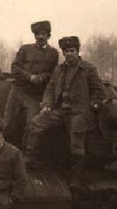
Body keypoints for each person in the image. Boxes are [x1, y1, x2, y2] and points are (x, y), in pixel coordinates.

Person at [24, 36, 106, 175]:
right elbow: (50, 89)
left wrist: (90, 108)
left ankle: (76, 175)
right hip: (60, 111)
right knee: (37, 122)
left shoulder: (88, 69)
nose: (69, 54)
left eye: (72, 50)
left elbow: (99, 92)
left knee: (76, 142)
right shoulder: (59, 70)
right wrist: (47, 104)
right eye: (66, 51)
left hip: (79, 112)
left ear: (77, 51)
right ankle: (31, 159)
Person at [3, 20, 59, 148]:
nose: (40, 37)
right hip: (18, 91)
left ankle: (26, 153)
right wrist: (29, 77)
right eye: (37, 34)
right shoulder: (25, 49)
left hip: (35, 94)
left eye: (43, 34)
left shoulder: (53, 53)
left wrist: (42, 77)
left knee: (31, 125)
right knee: (9, 123)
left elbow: (53, 74)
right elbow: (15, 68)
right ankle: (5, 151)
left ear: (48, 35)